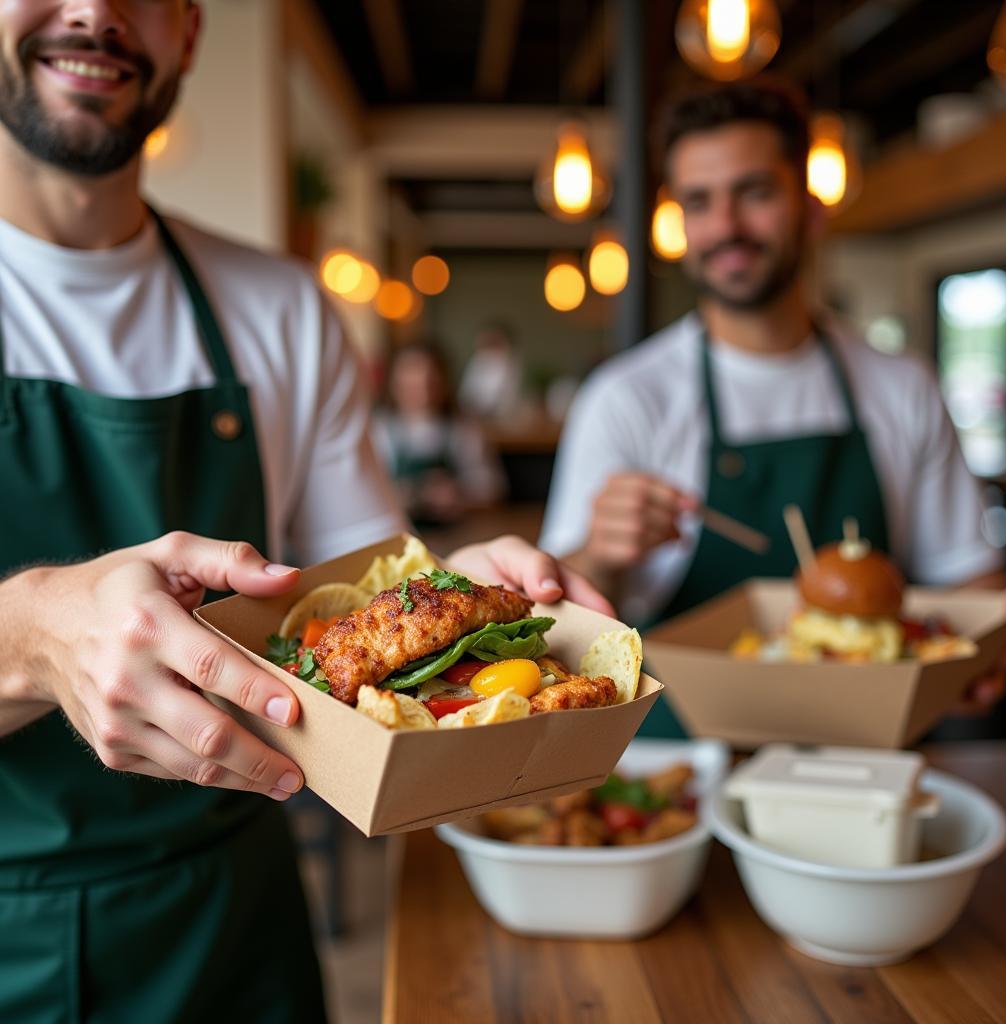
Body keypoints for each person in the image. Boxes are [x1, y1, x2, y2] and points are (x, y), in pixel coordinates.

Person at [0, 2, 612, 1020]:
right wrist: (31, 637)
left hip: (237, 915)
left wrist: (470, 604)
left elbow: (342, 611)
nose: (95, 10)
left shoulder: (280, 309)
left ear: (189, 31)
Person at [541, 78, 1006, 737]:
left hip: (866, 754)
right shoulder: (626, 398)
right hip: (681, 762)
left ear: (810, 207)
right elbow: (554, 634)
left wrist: (973, 661)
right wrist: (601, 553)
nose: (726, 227)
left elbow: (970, 587)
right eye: (699, 202)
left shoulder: (901, 386)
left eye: (755, 192)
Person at [374, 341, 505, 528]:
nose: (422, 389)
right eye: (412, 381)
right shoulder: (378, 430)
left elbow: (493, 491)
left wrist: (459, 496)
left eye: (430, 380)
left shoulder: (464, 430)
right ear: (394, 384)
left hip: (457, 537)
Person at [457, 319, 524, 421]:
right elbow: (465, 394)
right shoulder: (478, 360)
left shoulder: (508, 363)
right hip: (471, 418)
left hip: (501, 421)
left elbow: (502, 401)